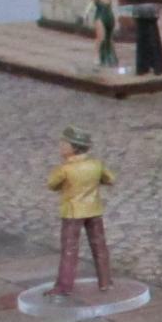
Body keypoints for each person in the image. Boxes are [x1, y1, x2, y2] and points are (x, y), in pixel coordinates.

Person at [46, 126, 116, 298]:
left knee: (69, 250)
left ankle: (64, 286)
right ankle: (105, 281)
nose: (61, 146)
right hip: (94, 209)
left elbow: (52, 185)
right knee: (99, 246)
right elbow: (110, 179)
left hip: (72, 213)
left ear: (74, 147)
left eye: (65, 144)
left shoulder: (65, 169)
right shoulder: (96, 164)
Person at [89, 0, 119, 70]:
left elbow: (111, 7)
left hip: (109, 17)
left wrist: (115, 18)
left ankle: (109, 56)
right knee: (100, 37)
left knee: (109, 38)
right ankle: (96, 55)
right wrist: (85, 15)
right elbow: (90, 6)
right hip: (100, 17)